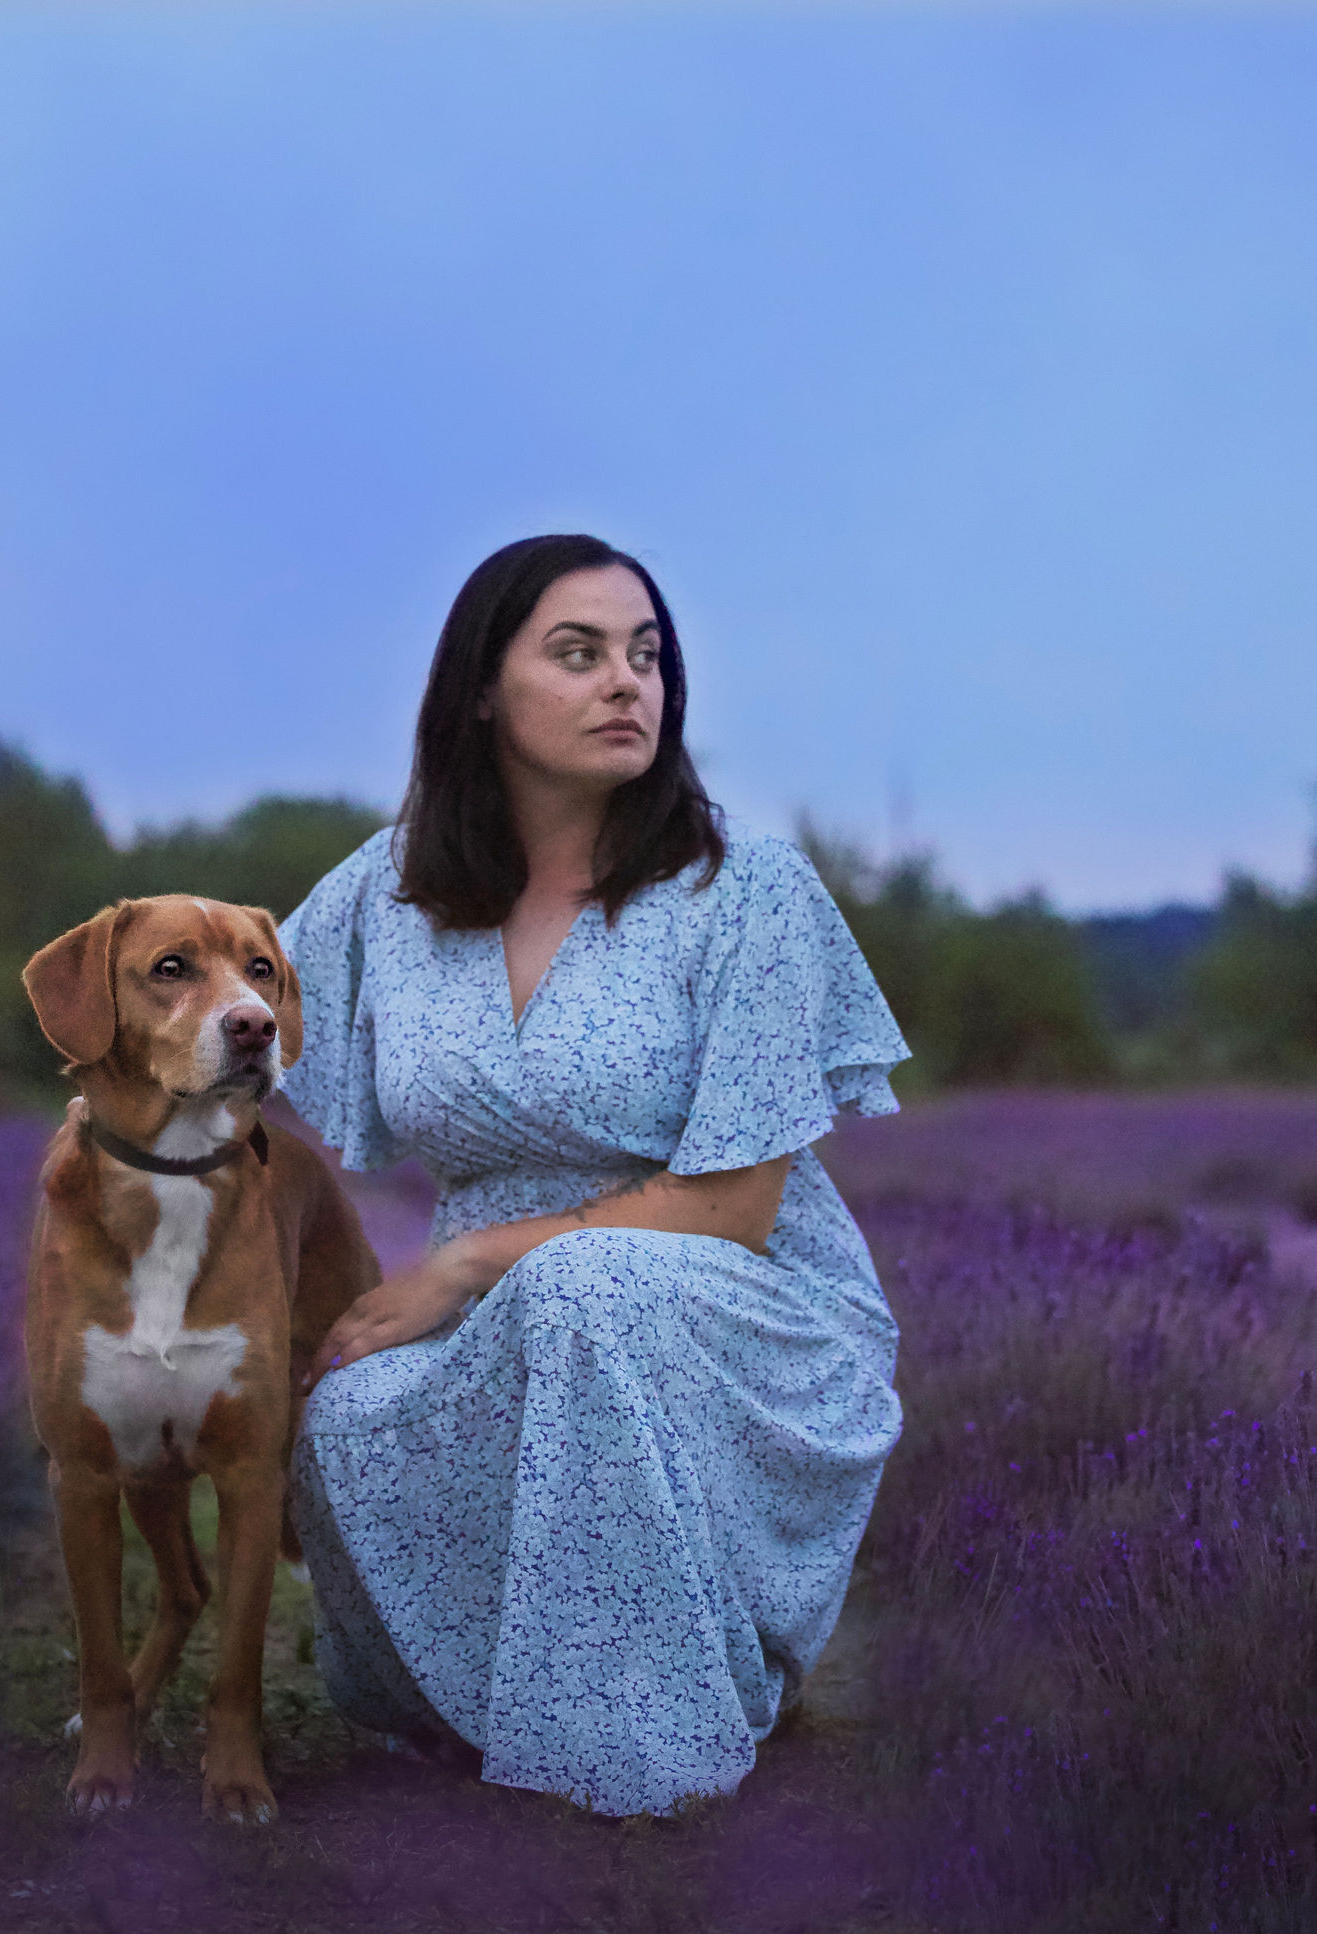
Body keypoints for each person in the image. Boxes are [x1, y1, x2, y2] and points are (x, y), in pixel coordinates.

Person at [276, 534, 907, 1816]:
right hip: (502, 1319)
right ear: (479, 691)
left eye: (647, 655)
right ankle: (496, 1708)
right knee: (343, 1413)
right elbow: (226, 1034)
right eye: (578, 654)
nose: (628, 682)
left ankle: (642, 1754)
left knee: (591, 1287)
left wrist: (459, 1261)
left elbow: (734, 1208)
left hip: (737, 1305)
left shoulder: (742, 890)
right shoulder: (385, 894)